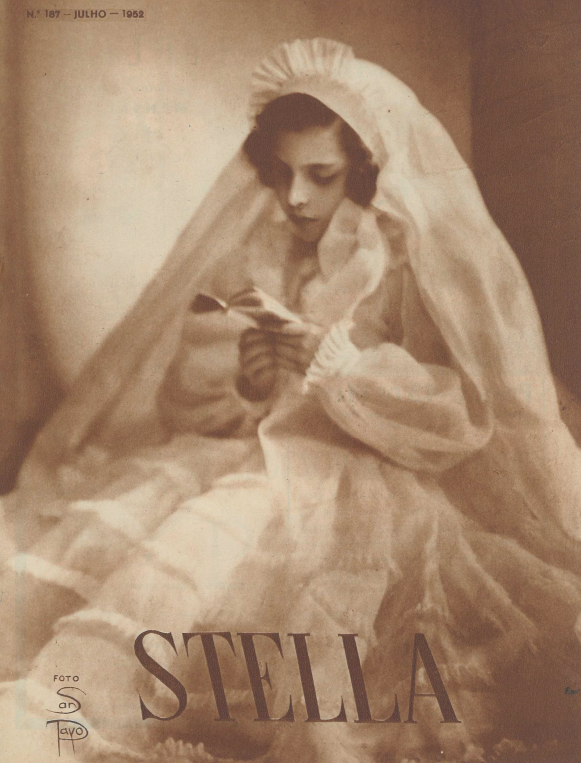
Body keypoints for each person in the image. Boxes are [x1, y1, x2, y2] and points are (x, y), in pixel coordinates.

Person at [0, 37, 580, 763]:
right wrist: (250, 380)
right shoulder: (264, 249)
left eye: (320, 174)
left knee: (254, 550)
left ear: (361, 169)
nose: (295, 196)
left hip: (372, 475)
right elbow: (188, 404)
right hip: (262, 455)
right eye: (280, 174)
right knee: (177, 531)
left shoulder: (401, 255)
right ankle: (71, 712)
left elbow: (461, 408)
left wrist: (341, 369)